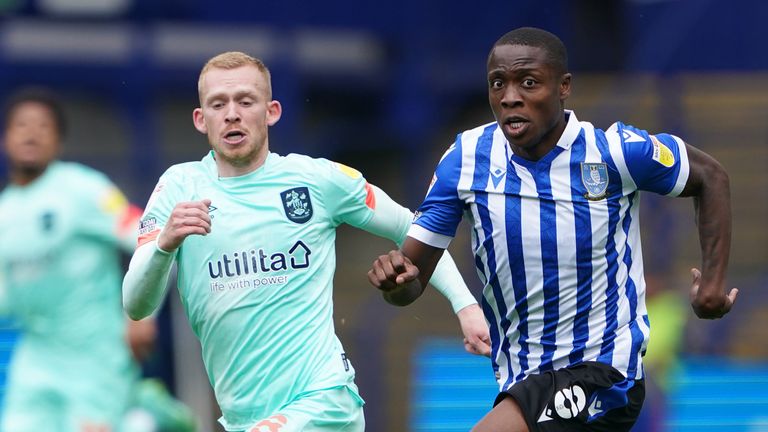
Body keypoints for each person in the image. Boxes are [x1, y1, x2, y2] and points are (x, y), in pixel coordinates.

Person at [367, 27, 738, 432]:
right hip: (521, 379)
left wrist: (714, 282)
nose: (510, 97)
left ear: (563, 88)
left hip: (604, 374)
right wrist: (395, 283)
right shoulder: (466, 159)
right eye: (498, 84)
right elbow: (411, 281)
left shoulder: (613, 153)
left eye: (528, 82)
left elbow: (710, 177)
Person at [121, 51, 490, 432]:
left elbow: (413, 228)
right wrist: (165, 244)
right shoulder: (178, 187)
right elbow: (135, 304)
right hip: (243, 418)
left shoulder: (316, 180)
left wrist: (466, 306)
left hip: (324, 400)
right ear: (201, 119)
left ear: (272, 111)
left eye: (245, 101)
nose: (232, 113)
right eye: (218, 104)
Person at [0, 88, 158, 430]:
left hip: (96, 360)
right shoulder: (4, 211)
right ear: (5, 140)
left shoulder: (85, 190)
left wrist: (142, 312)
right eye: (21, 125)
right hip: (36, 358)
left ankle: (151, 416)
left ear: (58, 142)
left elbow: (149, 237)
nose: (31, 133)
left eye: (43, 126)